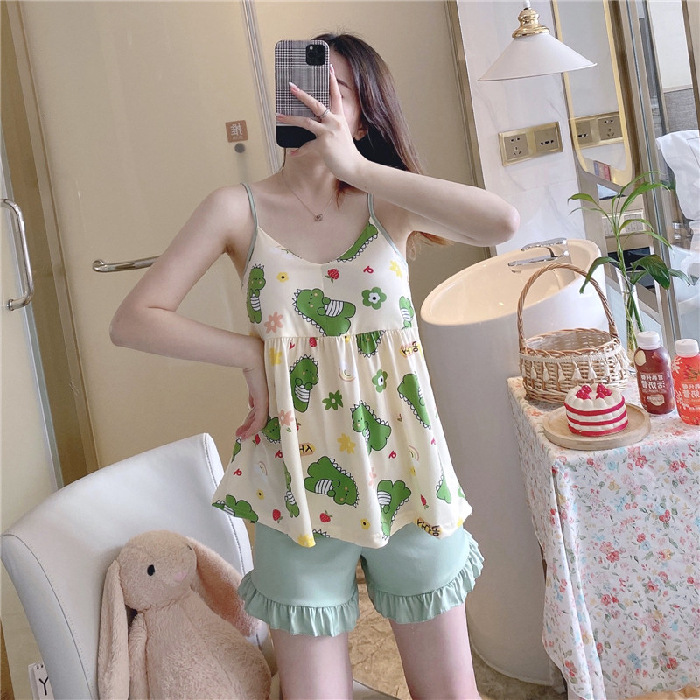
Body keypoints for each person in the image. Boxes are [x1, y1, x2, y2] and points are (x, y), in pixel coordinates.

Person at [111, 32, 519, 700]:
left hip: (407, 473)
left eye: (338, 90)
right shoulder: (235, 209)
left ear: (364, 115)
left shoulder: (387, 202)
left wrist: (360, 168)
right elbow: (134, 319)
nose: (315, 99)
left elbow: (500, 223)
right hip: (294, 484)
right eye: (302, 85)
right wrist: (249, 353)